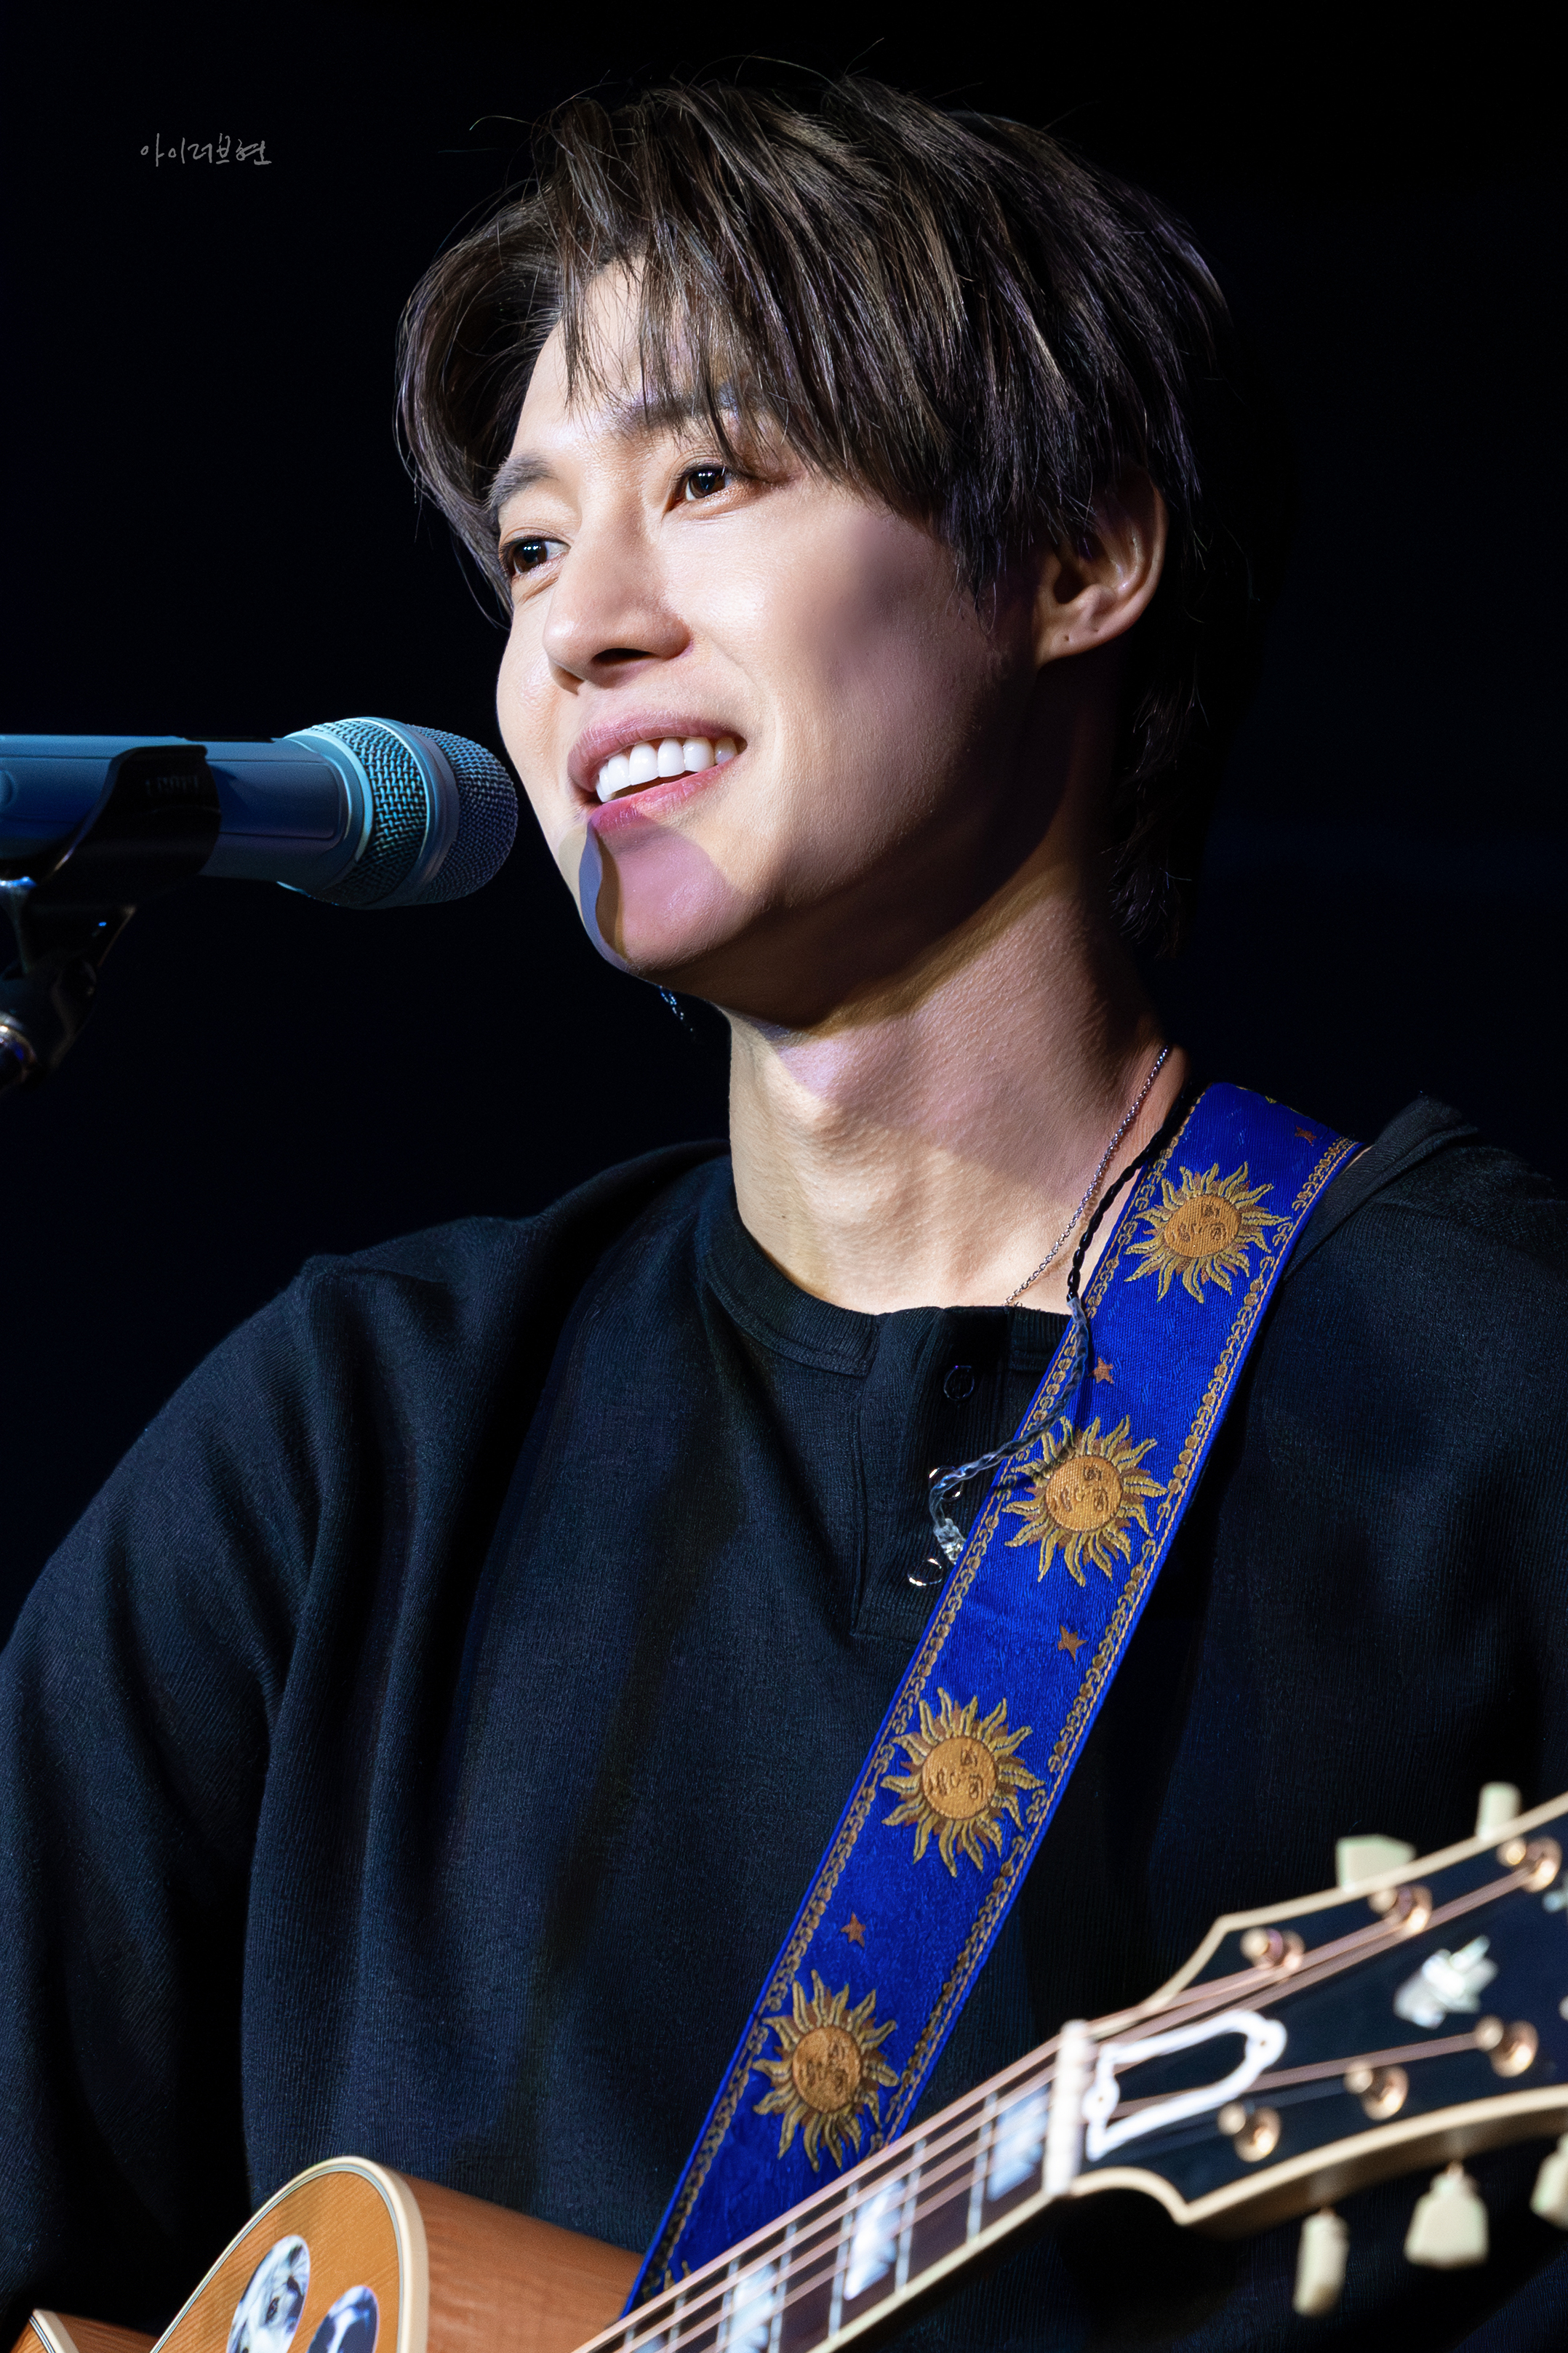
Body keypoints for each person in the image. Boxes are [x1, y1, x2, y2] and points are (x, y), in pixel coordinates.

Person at [3, 76, 1567, 2352]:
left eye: (709, 479)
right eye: (530, 550)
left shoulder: (1477, 1380)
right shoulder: (351, 1445)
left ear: (1075, 557)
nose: (579, 628)